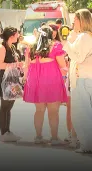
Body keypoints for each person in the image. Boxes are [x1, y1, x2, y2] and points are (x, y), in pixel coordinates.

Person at [23, 25, 68, 145]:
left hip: (35, 81)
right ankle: (54, 138)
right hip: (52, 80)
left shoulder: (31, 48)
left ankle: (38, 137)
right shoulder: (55, 46)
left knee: (39, 110)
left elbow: (26, 66)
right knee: (53, 111)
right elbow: (63, 66)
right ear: (50, 35)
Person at [62, 9, 92, 153]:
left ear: (82, 20)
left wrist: (66, 45)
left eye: (75, 19)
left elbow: (78, 57)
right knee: (85, 113)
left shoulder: (85, 36)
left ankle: (87, 145)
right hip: (85, 78)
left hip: (82, 79)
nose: (73, 22)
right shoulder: (84, 36)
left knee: (82, 114)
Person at [0, 27, 22, 142]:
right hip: (4, 78)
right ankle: (3, 133)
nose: (18, 35)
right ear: (11, 36)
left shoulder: (12, 46)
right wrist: (15, 65)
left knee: (9, 107)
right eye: (17, 34)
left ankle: (7, 131)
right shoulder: (1, 47)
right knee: (4, 107)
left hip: (12, 78)